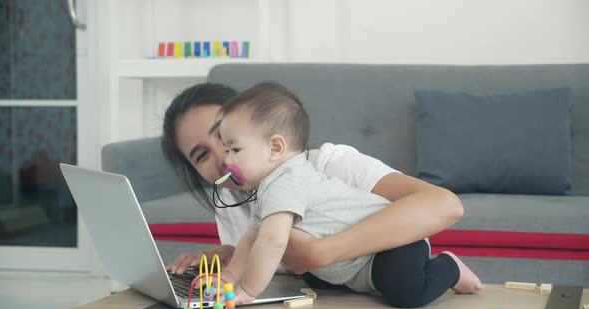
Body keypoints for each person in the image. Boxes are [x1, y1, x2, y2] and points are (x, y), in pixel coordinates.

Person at [161, 82, 466, 294]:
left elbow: (444, 205)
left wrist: (322, 252)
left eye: (225, 138)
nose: (225, 158)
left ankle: (448, 267)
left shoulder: (330, 164)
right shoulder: (227, 197)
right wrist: (224, 259)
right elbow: (267, 256)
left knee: (406, 289)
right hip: (335, 293)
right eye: (202, 155)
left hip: (385, 266)